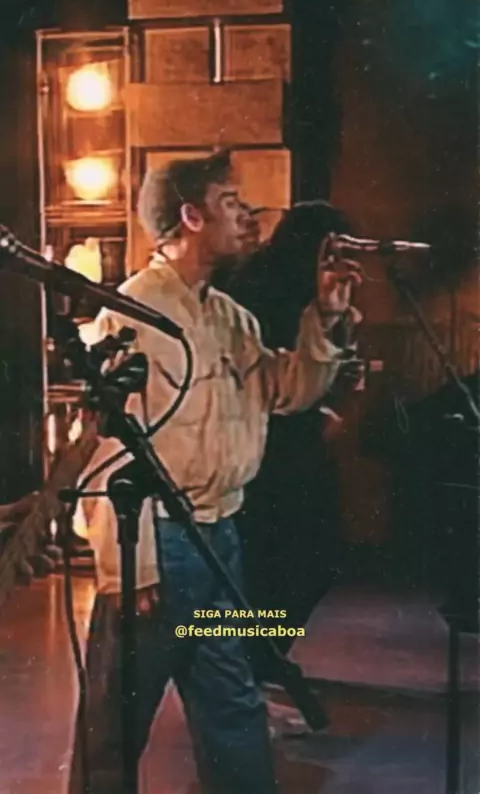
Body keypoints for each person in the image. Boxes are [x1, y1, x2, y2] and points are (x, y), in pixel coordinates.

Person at [69, 151, 361, 794]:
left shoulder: (229, 318)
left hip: (218, 539)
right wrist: (130, 567)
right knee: (115, 724)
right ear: (191, 216)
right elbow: (106, 450)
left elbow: (288, 390)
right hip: (158, 545)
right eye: (231, 201)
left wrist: (325, 319)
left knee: (232, 706)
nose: (248, 216)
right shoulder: (132, 313)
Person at [216, 202, 363, 678]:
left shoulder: (310, 286)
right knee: (274, 558)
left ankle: (265, 651)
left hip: (298, 440)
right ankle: (257, 656)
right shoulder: (258, 285)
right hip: (266, 442)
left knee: (315, 556)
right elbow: (271, 374)